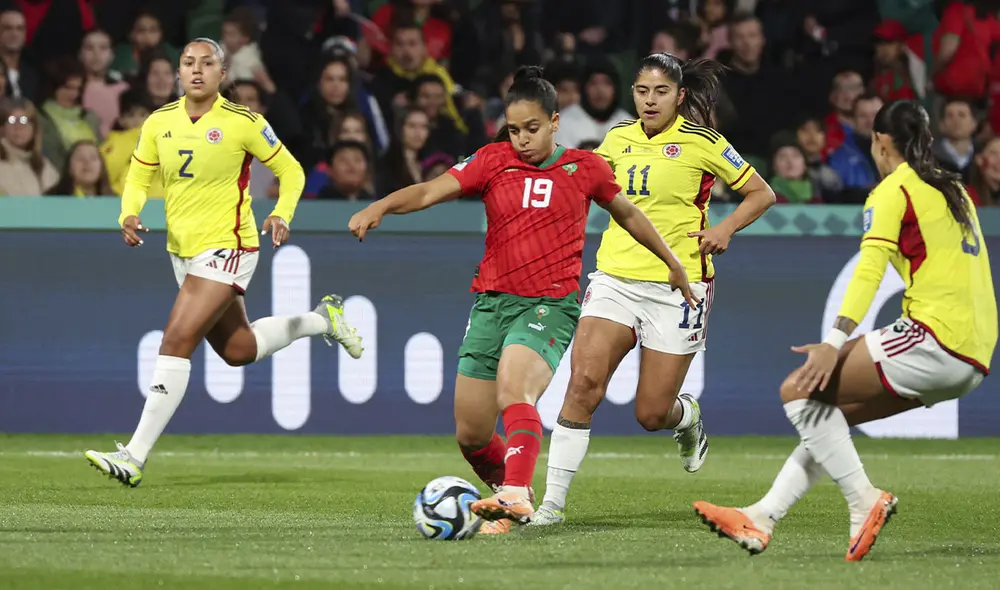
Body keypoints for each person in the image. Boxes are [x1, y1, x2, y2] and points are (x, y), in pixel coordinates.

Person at [348, 65, 698, 535]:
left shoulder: (586, 167)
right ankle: (514, 497)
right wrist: (380, 206)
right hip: (491, 305)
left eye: (532, 128)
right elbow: (432, 191)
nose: (522, 139)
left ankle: (514, 491)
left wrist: (674, 263)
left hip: (548, 306)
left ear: (556, 122)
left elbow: (629, 214)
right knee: (471, 434)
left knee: (516, 389)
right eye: (514, 130)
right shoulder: (492, 160)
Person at [693, 100, 996, 562]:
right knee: (827, 418)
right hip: (975, 352)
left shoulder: (894, 190)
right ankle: (762, 515)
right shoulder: (954, 187)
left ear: (879, 141)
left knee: (798, 390)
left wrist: (833, 344)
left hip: (935, 334)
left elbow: (870, 271)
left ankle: (863, 499)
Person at [84, 38, 364, 488]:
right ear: (179, 72)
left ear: (222, 72)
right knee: (239, 350)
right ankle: (321, 320)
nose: (196, 70)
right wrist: (128, 212)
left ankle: (134, 456)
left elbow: (292, 172)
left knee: (176, 339)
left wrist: (280, 213)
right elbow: (139, 174)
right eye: (188, 63)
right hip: (183, 250)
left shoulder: (244, 122)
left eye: (206, 63)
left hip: (229, 246)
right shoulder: (159, 122)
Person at [532, 53, 776, 527]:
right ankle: (552, 505)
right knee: (582, 385)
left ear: (680, 96)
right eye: (642, 91)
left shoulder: (705, 143)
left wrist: (724, 230)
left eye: (661, 92)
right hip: (614, 278)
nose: (649, 100)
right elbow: (582, 185)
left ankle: (685, 417)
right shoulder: (618, 138)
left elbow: (761, 193)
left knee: (650, 412)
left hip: (677, 286)